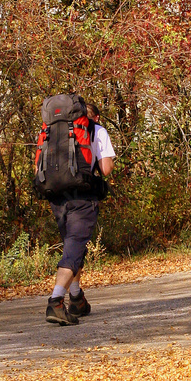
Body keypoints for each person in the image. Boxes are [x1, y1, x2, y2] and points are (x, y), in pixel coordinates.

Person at [46, 101, 115, 325]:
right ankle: (56, 302)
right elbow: (105, 169)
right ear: (93, 117)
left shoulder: (55, 130)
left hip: (56, 195)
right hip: (82, 197)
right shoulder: (98, 130)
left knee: (72, 245)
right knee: (74, 248)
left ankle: (76, 297)